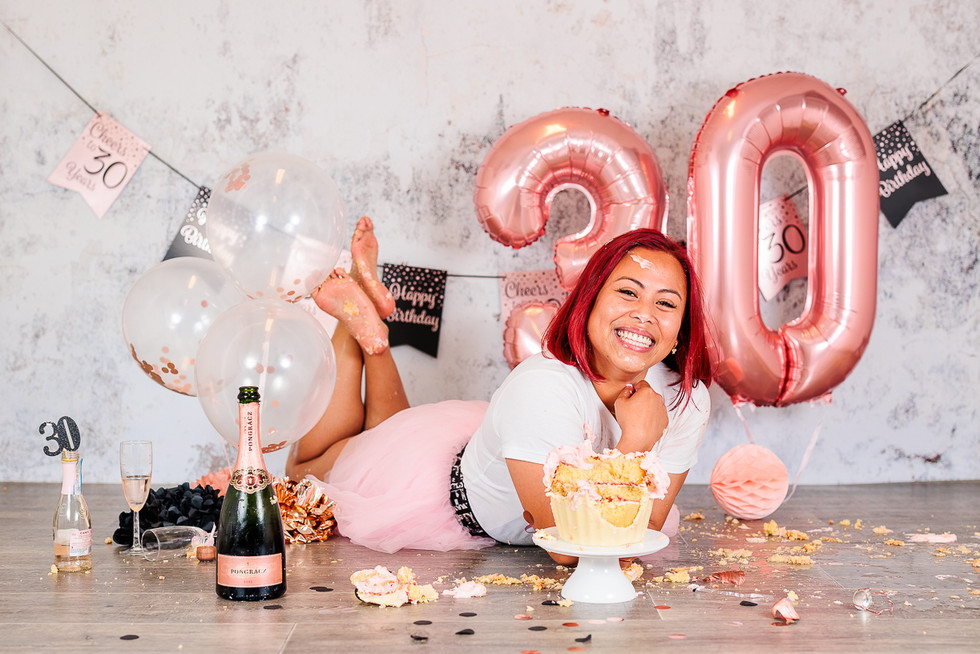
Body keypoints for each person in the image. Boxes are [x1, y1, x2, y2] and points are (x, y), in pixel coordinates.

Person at [286, 223, 713, 556]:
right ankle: (357, 324)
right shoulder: (541, 388)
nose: (644, 316)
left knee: (380, 433)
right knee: (303, 471)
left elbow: (647, 529)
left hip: (481, 445)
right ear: (590, 300)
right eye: (627, 292)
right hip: (440, 496)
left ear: (680, 329)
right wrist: (637, 442)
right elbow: (573, 545)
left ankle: (369, 327)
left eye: (666, 303)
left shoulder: (687, 400)